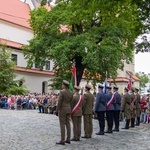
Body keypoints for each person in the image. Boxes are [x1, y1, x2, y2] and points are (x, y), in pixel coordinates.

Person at [55, 80, 73, 145]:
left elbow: (59, 102)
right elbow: (71, 101)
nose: (62, 85)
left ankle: (62, 140)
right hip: (68, 109)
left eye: (62, 84)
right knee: (68, 124)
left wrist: (57, 110)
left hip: (63, 109)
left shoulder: (62, 92)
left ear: (64, 85)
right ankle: (68, 139)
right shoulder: (71, 92)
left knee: (62, 124)